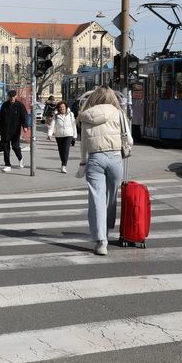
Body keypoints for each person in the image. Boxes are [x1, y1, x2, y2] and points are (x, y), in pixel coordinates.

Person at [77, 86, 127, 256]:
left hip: (94, 159)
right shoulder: (118, 113)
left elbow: (83, 143)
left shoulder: (86, 115)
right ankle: (108, 228)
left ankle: (101, 241)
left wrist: (83, 163)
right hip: (115, 158)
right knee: (111, 198)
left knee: (96, 199)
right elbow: (130, 139)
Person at [0, 89, 28, 172]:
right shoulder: (4, 105)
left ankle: (20, 158)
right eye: (10, 97)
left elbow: (24, 117)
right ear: (8, 97)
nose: (11, 98)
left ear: (16, 96)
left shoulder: (20, 106)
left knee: (15, 147)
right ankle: (7, 165)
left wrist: (25, 126)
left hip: (15, 131)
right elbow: (1, 118)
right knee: (5, 148)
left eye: (13, 97)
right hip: (4, 130)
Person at [47, 100, 77, 173]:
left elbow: (74, 125)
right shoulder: (56, 115)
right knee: (61, 151)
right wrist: (49, 134)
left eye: (63, 107)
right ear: (58, 108)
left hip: (68, 134)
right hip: (59, 135)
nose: (62, 108)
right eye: (60, 107)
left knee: (66, 150)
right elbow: (52, 125)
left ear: (66, 107)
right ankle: (63, 162)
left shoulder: (70, 114)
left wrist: (74, 135)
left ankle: (64, 165)